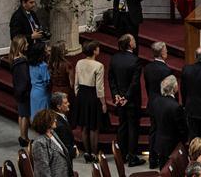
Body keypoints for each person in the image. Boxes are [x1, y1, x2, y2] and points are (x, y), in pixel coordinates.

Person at [109, 33, 145, 165]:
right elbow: (134, 83)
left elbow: (111, 79)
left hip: (119, 100)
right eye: (133, 40)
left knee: (122, 126)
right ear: (130, 44)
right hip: (131, 100)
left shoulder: (114, 58)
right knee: (133, 128)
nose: (135, 41)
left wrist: (116, 95)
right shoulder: (135, 60)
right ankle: (132, 157)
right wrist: (126, 97)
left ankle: (121, 155)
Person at [75, 40, 107, 162]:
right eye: (98, 48)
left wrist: (78, 95)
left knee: (84, 126)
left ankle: (87, 153)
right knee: (93, 127)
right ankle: (94, 153)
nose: (99, 50)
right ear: (94, 51)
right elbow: (99, 87)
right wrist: (103, 103)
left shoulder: (79, 62)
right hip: (93, 95)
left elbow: (76, 82)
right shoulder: (98, 66)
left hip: (82, 94)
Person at [145, 41, 175, 168]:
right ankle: (163, 159)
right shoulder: (166, 70)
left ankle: (152, 160)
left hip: (152, 103)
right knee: (163, 132)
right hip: (164, 105)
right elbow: (168, 90)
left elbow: (147, 87)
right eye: (166, 50)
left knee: (153, 131)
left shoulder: (147, 68)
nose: (167, 52)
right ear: (162, 53)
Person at [151, 75, 187, 167]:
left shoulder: (156, 102)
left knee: (163, 170)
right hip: (173, 146)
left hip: (159, 143)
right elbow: (182, 129)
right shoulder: (176, 107)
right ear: (175, 88)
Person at [30, 109, 73, 177]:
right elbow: (43, 170)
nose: (56, 120)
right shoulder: (39, 143)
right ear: (46, 122)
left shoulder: (53, 133)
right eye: (53, 119)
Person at [10, 36, 32, 146]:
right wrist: (26, 90)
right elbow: (25, 79)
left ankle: (22, 135)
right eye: (26, 43)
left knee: (21, 114)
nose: (28, 44)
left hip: (18, 91)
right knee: (25, 115)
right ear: (21, 45)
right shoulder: (22, 62)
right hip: (23, 92)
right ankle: (24, 138)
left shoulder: (14, 58)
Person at [48, 42, 74, 119]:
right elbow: (71, 83)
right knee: (64, 113)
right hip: (65, 91)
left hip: (54, 90)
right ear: (61, 52)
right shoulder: (67, 65)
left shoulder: (50, 63)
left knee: (55, 111)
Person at [50, 92, 76, 160]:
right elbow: (66, 148)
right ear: (59, 107)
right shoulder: (60, 126)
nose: (68, 104)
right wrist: (75, 152)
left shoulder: (57, 116)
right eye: (65, 103)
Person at [27, 43, 50, 119]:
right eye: (46, 49)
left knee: (35, 117)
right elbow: (47, 81)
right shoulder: (43, 65)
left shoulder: (31, 64)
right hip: (42, 94)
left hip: (33, 92)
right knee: (42, 117)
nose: (48, 50)